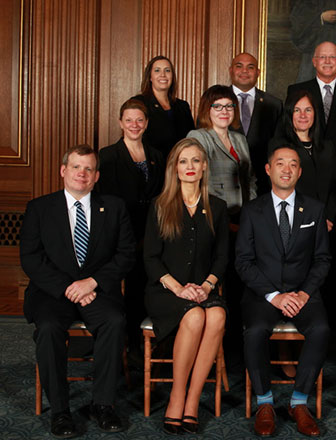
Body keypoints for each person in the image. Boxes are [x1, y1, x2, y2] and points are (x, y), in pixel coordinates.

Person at [20, 145, 135, 438]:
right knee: (47, 328)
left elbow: (126, 255)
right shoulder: (40, 208)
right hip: (52, 293)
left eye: (88, 169)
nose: (81, 174)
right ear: (63, 170)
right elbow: (31, 258)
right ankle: (60, 411)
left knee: (114, 321)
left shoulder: (114, 207)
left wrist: (93, 282)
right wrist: (69, 287)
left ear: (96, 176)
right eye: (75, 167)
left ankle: (103, 405)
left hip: (97, 291)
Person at [235, 145, 331, 437]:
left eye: (293, 164)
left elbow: (322, 259)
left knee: (321, 330)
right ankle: (264, 402)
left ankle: (299, 401)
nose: (286, 169)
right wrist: (274, 295)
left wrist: (303, 293)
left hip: (304, 293)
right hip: (263, 294)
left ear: (300, 172)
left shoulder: (315, 209)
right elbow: (243, 261)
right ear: (268, 169)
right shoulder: (252, 210)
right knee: (254, 331)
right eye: (280, 163)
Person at [143, 138, 229, 435]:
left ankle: (192, 401)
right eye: (183, 161)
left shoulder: (216, 207)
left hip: (204, 289)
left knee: (216, 315)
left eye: (195, 161)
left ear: (204, 167)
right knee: (194, 316)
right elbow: (150, 258)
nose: (190, 167)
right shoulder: (160, 205)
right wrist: (179, 289)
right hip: (166, 292)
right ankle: (177, 397)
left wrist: (206, 286)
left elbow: (222, 257)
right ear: (174, 168)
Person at [97, 98, 165, 358]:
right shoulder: (108, 155)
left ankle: (148, 341)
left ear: (146, 123)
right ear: (120, 123)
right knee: (126, 288)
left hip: (151, 231)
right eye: (129, 120)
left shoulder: (157, 155)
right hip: (122, 232)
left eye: (139, 120)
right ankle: (128, 345)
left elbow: (159, 195)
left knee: (148, 285)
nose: (134, 125)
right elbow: (106, 199)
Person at [269, 89, 336, 230]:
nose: (303, 115)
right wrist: (311, 217)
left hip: (327, 223)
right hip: (294, 222)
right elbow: (280, 187)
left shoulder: (327, 146)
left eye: (308, 110)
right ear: (289, 114)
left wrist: (327, 217)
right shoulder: (278, 145)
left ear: (315, 113)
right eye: (297, 110)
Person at [187, 85, 257, 224]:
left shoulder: (239, 139)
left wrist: (251, 206)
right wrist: (218, 212)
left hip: (243, 214)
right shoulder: (198, 137)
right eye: (217, 106)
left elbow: (250, 178)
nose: (224, 111)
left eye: (229, 106)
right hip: (214, 215)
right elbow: (199, 180)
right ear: (207, 110)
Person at [286, 41, 336, 157]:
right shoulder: (296, 91)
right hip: (305, 160)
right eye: (322, 57)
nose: (327, 61)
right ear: (314, 62)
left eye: (332, 57)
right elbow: (288, 129)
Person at [229, 52, 283, 195]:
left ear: (258, 72)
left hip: (262, 184)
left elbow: (278, 146)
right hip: (224, 183)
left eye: (250, 67)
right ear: (231, 70)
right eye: (239, 66)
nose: (244, 71)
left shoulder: (274, 105)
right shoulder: (216, 100)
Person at [133, 55, 195, 160]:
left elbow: (191, 139)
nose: (163, 75)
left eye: (167, 70)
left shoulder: (183, 106)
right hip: (152, 166)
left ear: (172, 76)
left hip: (179, 167)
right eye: (157, 70)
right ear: (150, 77)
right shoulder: (139, 103)